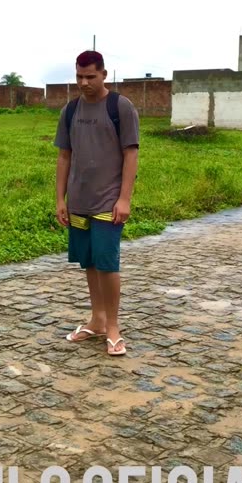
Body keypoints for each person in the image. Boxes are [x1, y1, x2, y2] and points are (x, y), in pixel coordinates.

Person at [54, 50, 140, 356]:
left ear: (104, 74)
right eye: (79, 76)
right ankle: (97, 320)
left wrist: (124, 198)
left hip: (108, 200)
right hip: (79, 200)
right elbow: (64, 156)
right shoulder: (70, 110)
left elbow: (131, 154)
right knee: (89, 261)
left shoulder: (120, 107)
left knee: (107, 262)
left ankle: (113, 327)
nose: (84, 82)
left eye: (90, 76)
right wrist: (60, 198)